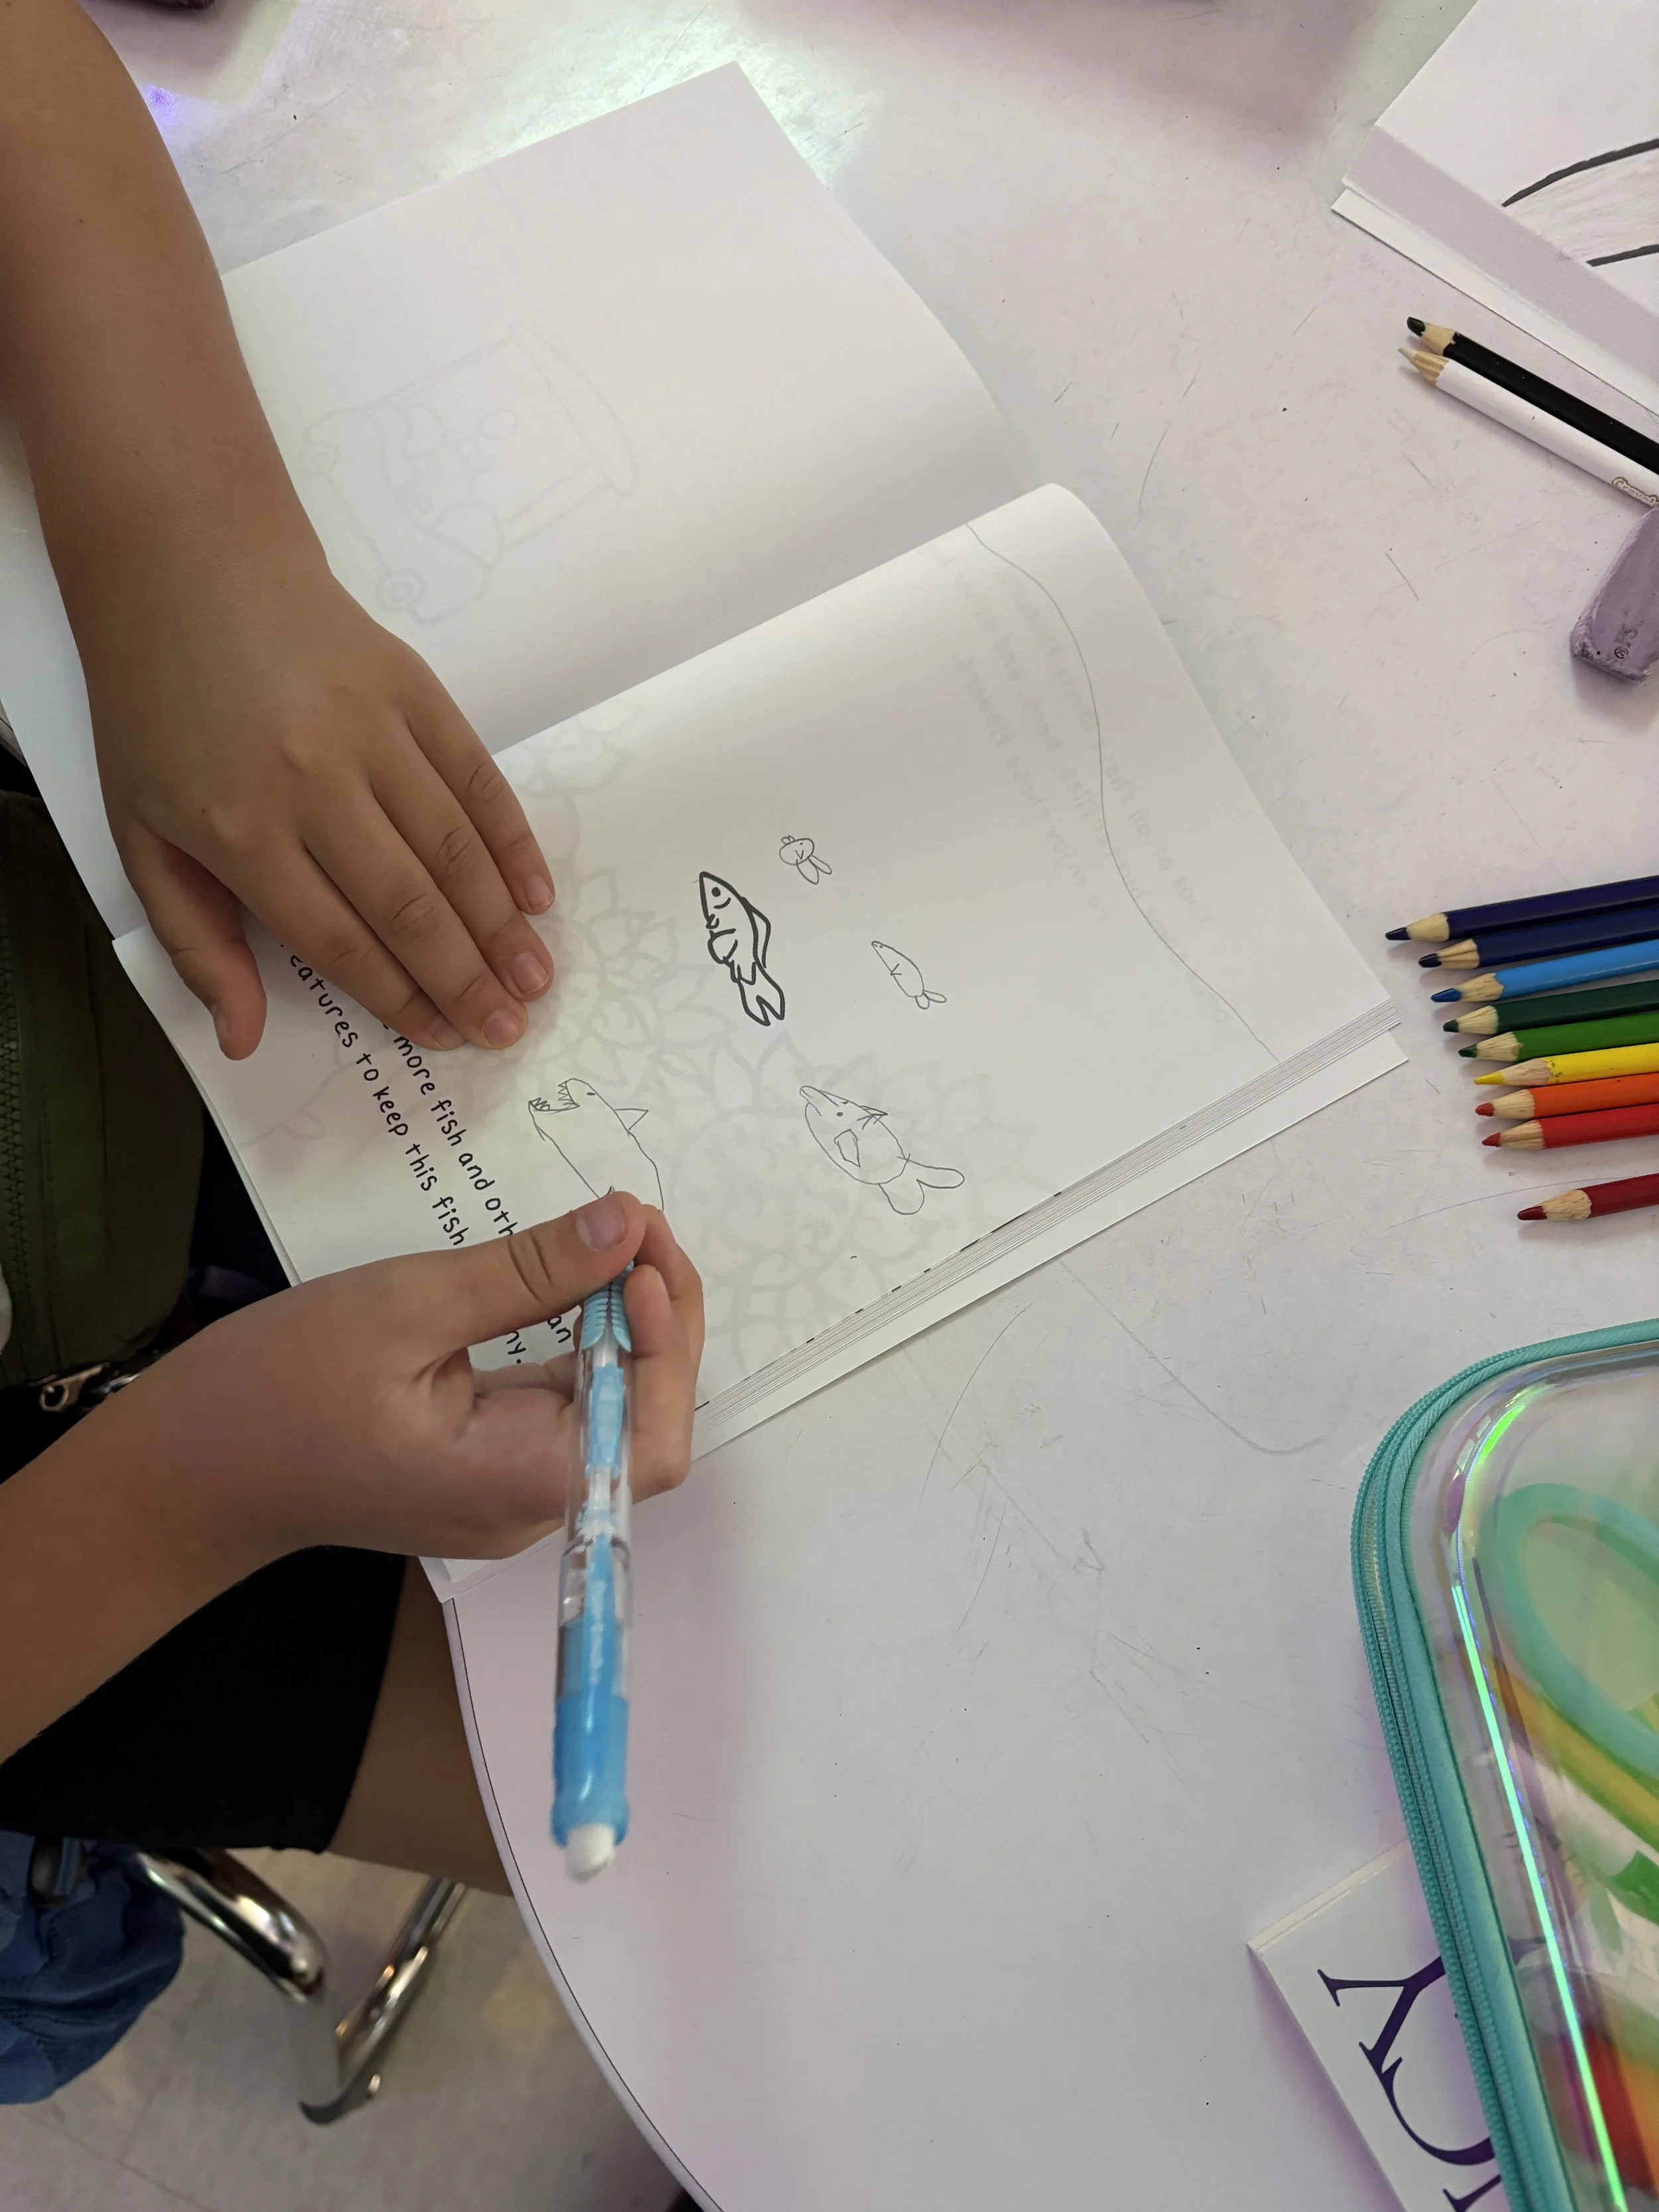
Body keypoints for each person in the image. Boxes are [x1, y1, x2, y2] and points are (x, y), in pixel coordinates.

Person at [0, 0, 704, 1892]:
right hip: (55, 1573)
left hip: (95, 789)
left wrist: (187, 552)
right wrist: (189, 1488)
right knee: (740, 1808)